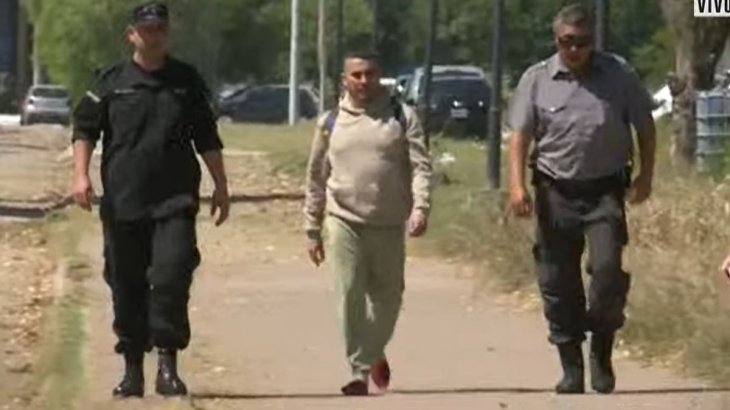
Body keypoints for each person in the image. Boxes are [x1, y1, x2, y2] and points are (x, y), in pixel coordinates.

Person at [70, 2, 230, 398]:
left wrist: (221, 186)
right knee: (126, 284)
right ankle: (132, 370)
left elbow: (207, 137)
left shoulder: (186, 81)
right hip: (124, 201)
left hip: (175, 200)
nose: (153, 36)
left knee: (172, 277)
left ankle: (167, 366)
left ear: (167, 33)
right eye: (146, 30)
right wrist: (80, 176)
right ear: (132, 36)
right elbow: (85, 129)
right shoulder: (111, 82)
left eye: (159, 29)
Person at [507, 4, 656, 394]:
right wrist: (517, 186)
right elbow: (520, 135)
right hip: (554, 191)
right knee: (557, 279)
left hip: (605, 192)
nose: (574, 50)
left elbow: (645, 125)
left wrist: (646, 176)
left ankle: (601, 347)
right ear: (556, 40)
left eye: (582, 42)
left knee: (607, 271)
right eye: (567, 42)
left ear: (594, 41)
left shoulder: (619, 75)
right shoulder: (537, 79)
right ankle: (570, 364)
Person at [303, 51, 432, 396]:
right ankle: (359, 370)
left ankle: (372, 349)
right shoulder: (330, 122)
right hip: (342, 219)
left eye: (370, 74)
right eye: (356, 75)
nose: (363, 81)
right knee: (349, 294)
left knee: (389, 299)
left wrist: (421, 208)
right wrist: (312, 228)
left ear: (380, 76)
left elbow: (421, 167)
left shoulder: (401, 117)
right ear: (344, 80)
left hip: (388, 221)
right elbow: (315, 177)